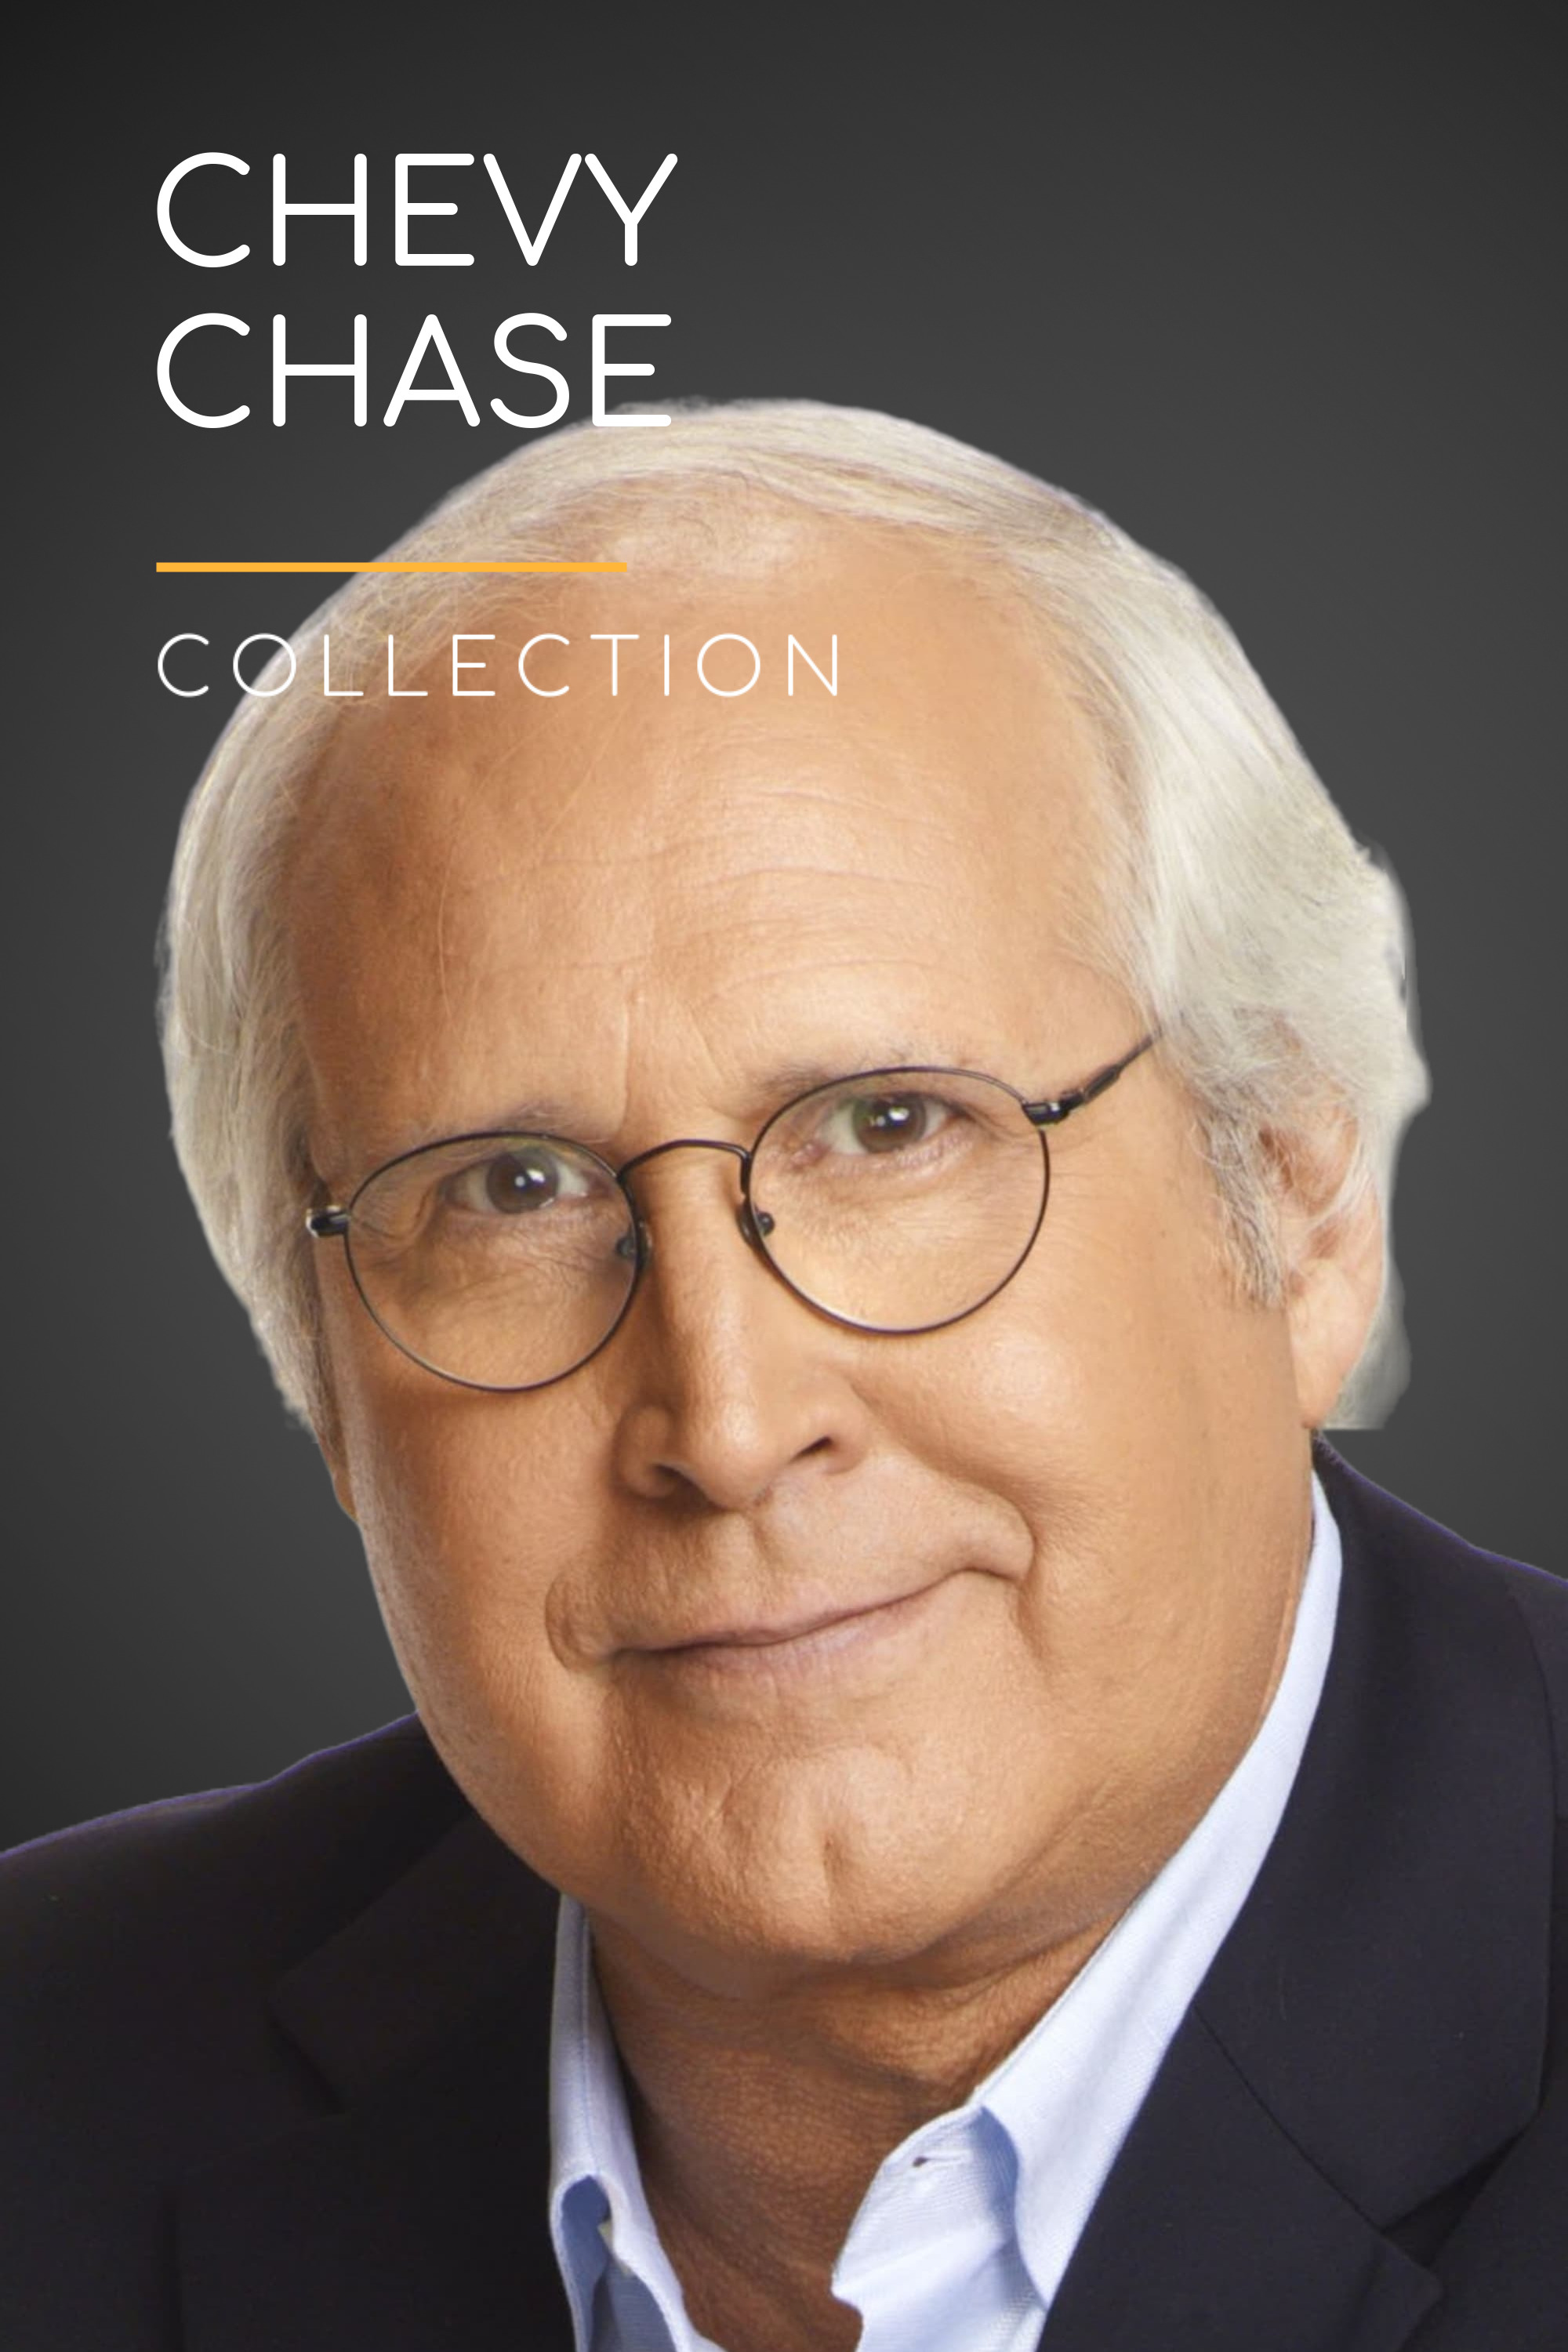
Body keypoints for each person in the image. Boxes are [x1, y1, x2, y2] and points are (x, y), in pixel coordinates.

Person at [3, 404, 1561, 2351]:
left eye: (891, 1126)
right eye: (512, 1188)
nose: (729, 1426)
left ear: (1298, 1199)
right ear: (316, 1372)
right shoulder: (43, 2076)